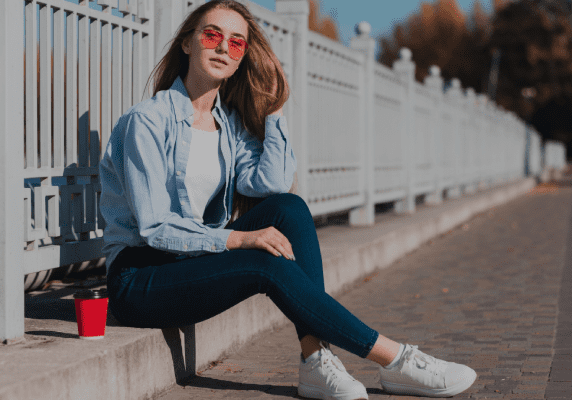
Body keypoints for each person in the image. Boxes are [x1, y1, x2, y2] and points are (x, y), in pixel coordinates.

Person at [99, 1, 477, 399]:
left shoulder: (227, 126)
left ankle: (314, 359)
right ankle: (396, 359)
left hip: (191, 263)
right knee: (265, 264)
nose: (223, 48)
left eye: (237, 43)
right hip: (140, 280)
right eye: (212, 35)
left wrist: (275, 109)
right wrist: (239, 239)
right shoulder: (148, 121)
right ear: (187, 45)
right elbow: (154, 226)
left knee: (290, 208)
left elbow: (274, 183)